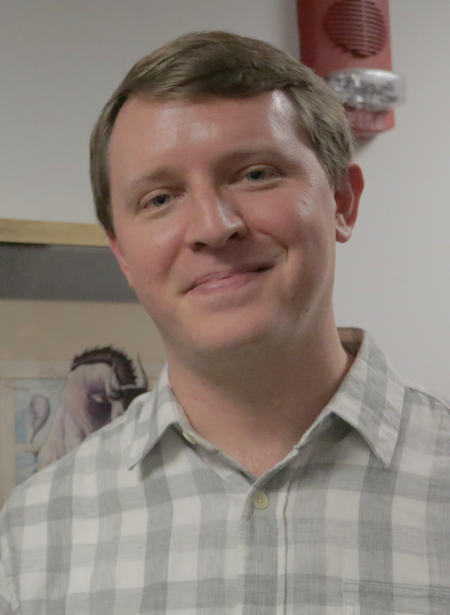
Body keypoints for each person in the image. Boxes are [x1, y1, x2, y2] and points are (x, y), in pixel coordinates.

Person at [1, 31, 450, 614]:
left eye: (256, 173)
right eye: (160, 199)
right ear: (122, 255)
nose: (213, 227)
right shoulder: (33, 533)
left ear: (342, 200)